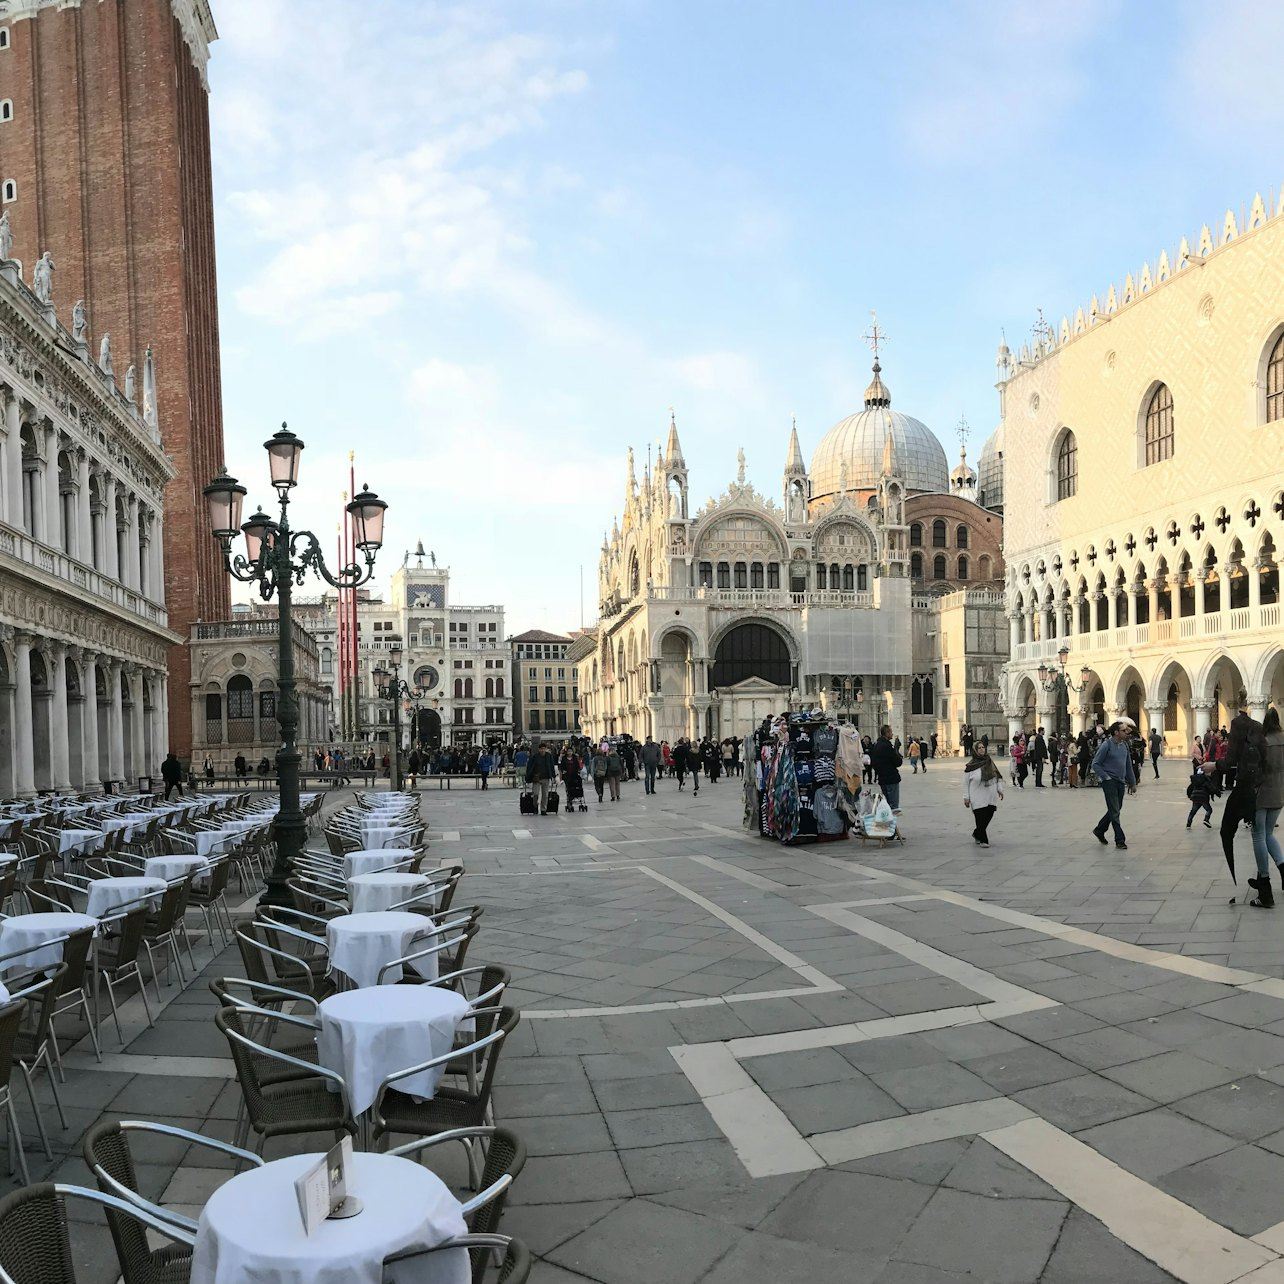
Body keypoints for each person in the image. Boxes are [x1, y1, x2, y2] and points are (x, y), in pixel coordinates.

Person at [1223, 707, 1266, 902]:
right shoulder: (1259, 730)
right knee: (1265, 835)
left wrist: (1214, 766)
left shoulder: (1238, 726)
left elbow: (1230, 758)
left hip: (1245, 789)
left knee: (1229, 832)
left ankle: (1263, 885)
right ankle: (1269, 880)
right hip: (1262, 788)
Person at [1248, 708, 1284, 908]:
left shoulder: (1263, 743)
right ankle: (1283, 869)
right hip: (1279, 793)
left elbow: (1253, 771)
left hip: (1261, 794)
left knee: (1258, 835)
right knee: (1268, 834)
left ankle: (1264, 887)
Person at [1090, 721, 1138, 849]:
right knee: (1115, 810)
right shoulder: (1107, 745)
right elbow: (1095, 764)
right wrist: (1106, 777)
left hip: (1120, 782)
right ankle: (1119, 839)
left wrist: (1132, 782)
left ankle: (1100, 829)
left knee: (1116, 808)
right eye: (1124, 730)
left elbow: (1128, 765)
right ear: (1116, 732)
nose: (1127, 733)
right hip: (1109, 782)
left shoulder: (1124, 745)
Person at [962, 741, 1003, 847]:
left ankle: (977, 833)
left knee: (989, 814)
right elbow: (965, 783)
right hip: (977, 796)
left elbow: (997, 776)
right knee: (980, 818)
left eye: (983, 747)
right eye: (979, 748)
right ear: (975, 750)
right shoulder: (970, 766)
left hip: (990, 795)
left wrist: (1000, 789)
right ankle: (983, 840)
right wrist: (966, 797)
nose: (981, 749)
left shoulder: (989, 762)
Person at [869, 725, 903, 813]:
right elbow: (898, 762)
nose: (892, 734)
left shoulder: (876, 745)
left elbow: (873, 762)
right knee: (894, 806)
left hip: (882, 778)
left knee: (887, 804)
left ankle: (888, 820)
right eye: (891, 732)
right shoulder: (887, 746)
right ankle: (892, 821)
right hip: (891, 778)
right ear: (887, 733)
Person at [526, 741, 557, 814]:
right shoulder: (535, 757)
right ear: (539, 749)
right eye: (541, 749)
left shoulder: (549, 756)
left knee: (545, 795)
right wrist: (528, 776)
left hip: (546, 777)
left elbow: (551, 766)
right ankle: (535, 806)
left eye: (544, 749)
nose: (542, 750)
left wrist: (553, 776)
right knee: (535, 793)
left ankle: (543, 809)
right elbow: (530, 767)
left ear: (546, 749)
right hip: (536, 778)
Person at [1186, 760, 1217, 829]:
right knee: (1209, 810)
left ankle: (1188, 824)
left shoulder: (1194, 781)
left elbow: (1189, 789)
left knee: (1193, 811)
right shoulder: (1206, 780)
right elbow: (1211, 788)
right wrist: (1216, 792)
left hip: (1195, 797)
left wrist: (1190, 796)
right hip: (1203, 798)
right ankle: (1206, 819)